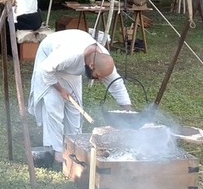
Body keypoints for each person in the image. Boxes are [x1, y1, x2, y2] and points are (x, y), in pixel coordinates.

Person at [28, 29, 132, 163]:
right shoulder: (69, 54)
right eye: (98, 77)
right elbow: (46, 69)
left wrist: (128, 112)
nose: (100, 80)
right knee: (53, 106)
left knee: (75, 108)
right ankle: (57, 151)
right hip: (49, 59)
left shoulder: (103, 61)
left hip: (70, 66)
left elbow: (116, 85)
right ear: (91, 65)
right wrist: (60, 89)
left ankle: (74, 146)